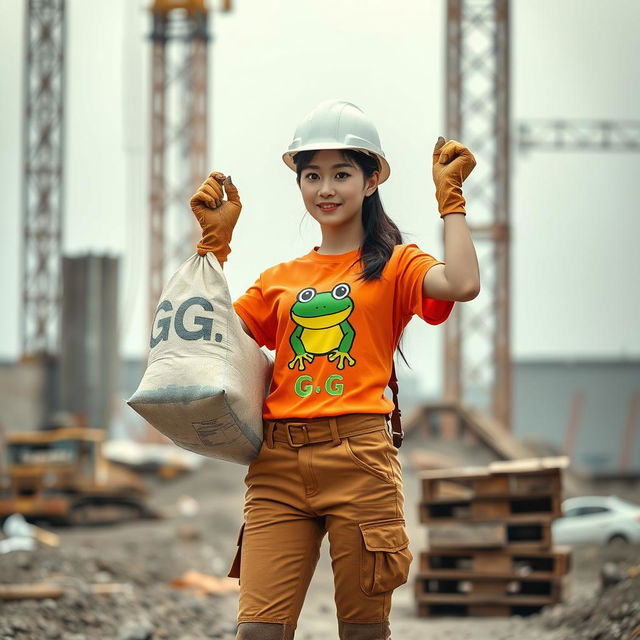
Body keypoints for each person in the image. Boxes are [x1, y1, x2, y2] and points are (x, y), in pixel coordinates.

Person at [190, 99, 480, 640]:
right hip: (277, 465)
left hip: (361, 460)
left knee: (363, 633)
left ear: (371, 181)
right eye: (312, 175)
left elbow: (462, 284)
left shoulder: (396, 263)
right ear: (299, 183)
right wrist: (212, 251)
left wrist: (452, 202)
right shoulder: (279, 278)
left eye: (342, 174)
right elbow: (207, 341)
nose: (325, 188)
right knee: (257, 631)